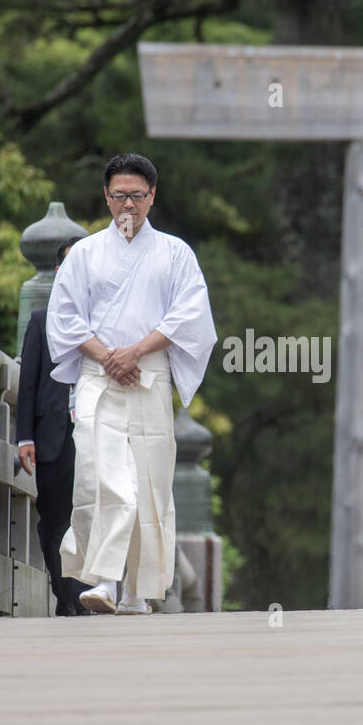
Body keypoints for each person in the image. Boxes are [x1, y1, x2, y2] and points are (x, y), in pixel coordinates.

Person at [46, 153, 217, 614]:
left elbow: (190, 316)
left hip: (148, 377)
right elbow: (64, 316)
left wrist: (135, 351)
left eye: (137, 196)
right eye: (119, 195)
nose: (128, 205)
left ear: (152, 196)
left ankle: (138, 593)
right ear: (106, 196)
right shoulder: (84, 254)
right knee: (102, 478)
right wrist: (108, 356)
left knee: (149, 485)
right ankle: (104, 579)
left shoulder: (175, 253)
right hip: (99, 378)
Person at [17, 239, 89, 616]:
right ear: (60, 273)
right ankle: (65, 593)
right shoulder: (42, 320)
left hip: (94, 431)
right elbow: (27, 381)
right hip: (52, 436)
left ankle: (82, 594)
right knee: (56, 517)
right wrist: (25, 437)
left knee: (91, 513)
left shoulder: (107, 319)